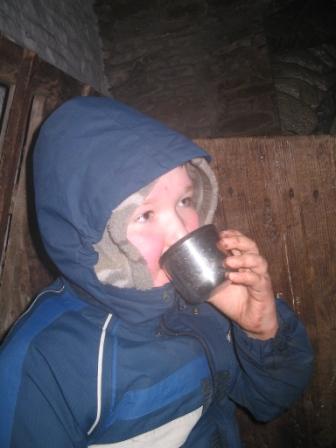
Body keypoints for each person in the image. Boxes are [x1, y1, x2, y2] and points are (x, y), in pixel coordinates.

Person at [0, 97, 313, 448]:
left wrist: (260, 330)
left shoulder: (201, 299)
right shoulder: (42, 365)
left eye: (184, 201)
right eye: (145, 216)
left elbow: (269, 401)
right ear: (93, 241)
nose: (182, 235)